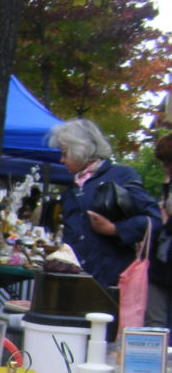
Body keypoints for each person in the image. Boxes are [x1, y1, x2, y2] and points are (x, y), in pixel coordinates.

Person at [47, 118, 160, 290]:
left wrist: (115, 229)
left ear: (80, 149)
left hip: (111, 283)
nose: (62, 160)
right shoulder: (70, 190)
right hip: (74, 283)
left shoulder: (122, 176)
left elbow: (155, 220)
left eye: (64, 153)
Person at [146, 133, 172, 327]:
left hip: (164, 263)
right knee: (157, 323)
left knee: (158, 323)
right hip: (162, 263)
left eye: (167, 163)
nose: (165, 168)